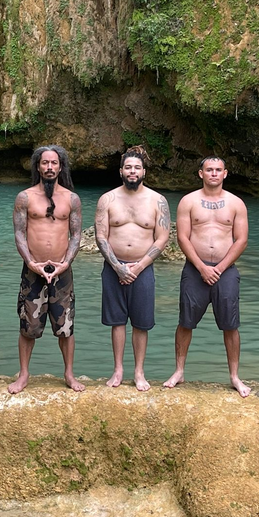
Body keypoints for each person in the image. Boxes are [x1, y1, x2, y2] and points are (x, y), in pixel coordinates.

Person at [164, 155, 250, 398]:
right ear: (201, 173)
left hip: (226, 270)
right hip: (195, 269)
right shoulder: (188, 201)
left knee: (230, 325)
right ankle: (179, 371)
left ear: (225, 173)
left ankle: (234, 376)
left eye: (218, 170)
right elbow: (182, 237)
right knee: (186, 322)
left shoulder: (236, 203)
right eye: (209, 169)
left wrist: (219, 268)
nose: (213, 173)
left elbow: (241, 239)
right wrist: (201, 267)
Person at [10, 145, 85, 395]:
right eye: (45, 163)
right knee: (28, 325)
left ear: (60, 166)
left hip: (62, 270)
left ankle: (69, 374)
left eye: (54, 163)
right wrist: (31, 262)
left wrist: (66, 262)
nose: (49, 168)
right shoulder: (25, 197)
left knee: (66, 325)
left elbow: (76, 235)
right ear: (38, 166)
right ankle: (23, 374)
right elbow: (19, 233)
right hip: (33, 270)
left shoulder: (72, 199)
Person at [94, 147, 170, 391]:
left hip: (143, 268)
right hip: (113, 267)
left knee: (141, 322)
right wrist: (117, 267)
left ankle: (139, 371)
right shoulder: (107, 199)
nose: (133, 171)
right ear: (121, 171)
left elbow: (161, 238)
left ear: (144, 171)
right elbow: (101, 236)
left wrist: (139, 267)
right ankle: (118, 369)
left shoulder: (158, 200)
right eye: (128, 167)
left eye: (137, 167)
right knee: (117, 321)